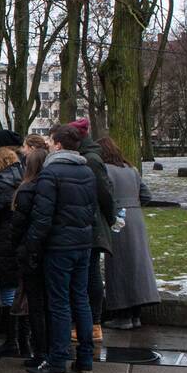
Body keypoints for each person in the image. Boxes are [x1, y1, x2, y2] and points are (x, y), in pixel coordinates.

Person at [24, 125, 97, 373]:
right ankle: (85, 358)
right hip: (82, 243)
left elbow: (42, 216)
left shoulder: (51, 173)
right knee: (81, 299)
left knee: (59, 303)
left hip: (59, 246)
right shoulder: (86, 171)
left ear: (57, 144)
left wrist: (32, 245)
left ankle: (57, 359)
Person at [98, 137, 159, 329]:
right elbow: (146, 196)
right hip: (136, 220)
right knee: (137, 266)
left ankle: (122, 316)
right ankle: (135, 315)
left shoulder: (105, 170)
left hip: (118, 220)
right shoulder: (131, 169)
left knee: (119, 266)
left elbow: (104, 196)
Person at [69, 118, 116, 342]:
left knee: (90, 276)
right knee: (88, 275)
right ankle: (89, 323)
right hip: (90, 223)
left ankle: (93, 323)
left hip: (92, 224)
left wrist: (109, 218)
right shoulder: (89, 157)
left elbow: (105, 193)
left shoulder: (91, 160)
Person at [11, 149, 50, 367]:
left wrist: (20, 248)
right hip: (49, 252)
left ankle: (40, 351)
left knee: (35, 304)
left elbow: (18, 225)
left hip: (31, 252)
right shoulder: (51, 188)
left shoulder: (26, 190)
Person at [0, 146, 24, 356]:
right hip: (14, 240)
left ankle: (12, 339)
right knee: (11, 288)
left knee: (8, 291)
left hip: (3, 242)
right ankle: (14, 336)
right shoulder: (20, 180)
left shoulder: (1, 185)